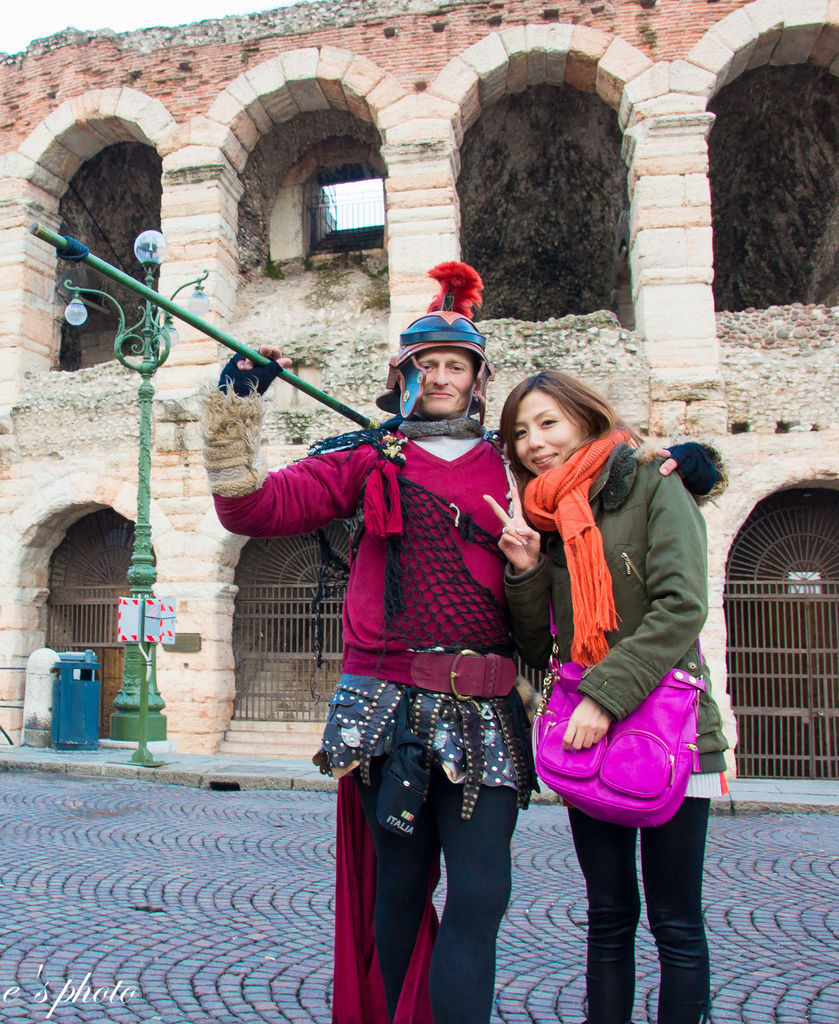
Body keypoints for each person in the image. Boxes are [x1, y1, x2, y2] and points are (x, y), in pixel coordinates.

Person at [200, 266, 718, 1024]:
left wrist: (685, 463)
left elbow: (604, 490)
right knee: (401, 894)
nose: (440, 377)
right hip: (384, 705)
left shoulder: (518, 469)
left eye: (455, 365)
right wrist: (236, 405)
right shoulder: (366, 458)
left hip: (487, 708)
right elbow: (252, 509)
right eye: (425, 364)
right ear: (401, 377)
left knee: (482, 895)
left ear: (478, 381)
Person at [486, 369, 728, 1024]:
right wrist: (526, 571)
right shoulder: (542, 515)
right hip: (588, 739)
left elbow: (682, 607)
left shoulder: (653, 480)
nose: (534, 443)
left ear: (585, 418)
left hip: (672, 732)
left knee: (676, 921)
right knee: (608, 915)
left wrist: (604, 697)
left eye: (547, 423)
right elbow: (541, 649)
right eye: (520, 433)